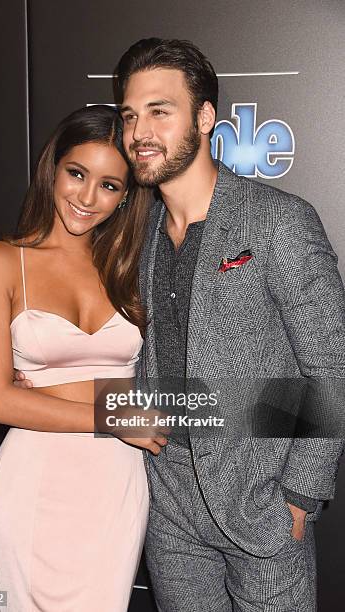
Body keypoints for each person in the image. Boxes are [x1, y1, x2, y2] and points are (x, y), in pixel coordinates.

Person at [114, 39, 344, 611]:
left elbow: (329, 364)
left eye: (159, 112)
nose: (140, 130)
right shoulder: (135, 239)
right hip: (170, 512)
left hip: (262, 508)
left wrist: (299, 495)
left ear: (206, 118)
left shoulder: (278, 220)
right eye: (129, 115)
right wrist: (119, 417)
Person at [0, 105, 167, 612]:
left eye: (109, 185)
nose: (86, 197)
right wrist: (115, 418)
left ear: (126, 197)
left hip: (116, 488)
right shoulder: (0, 262)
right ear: (53, 168)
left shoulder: (132, 269)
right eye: (77, 173)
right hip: (35, 483)